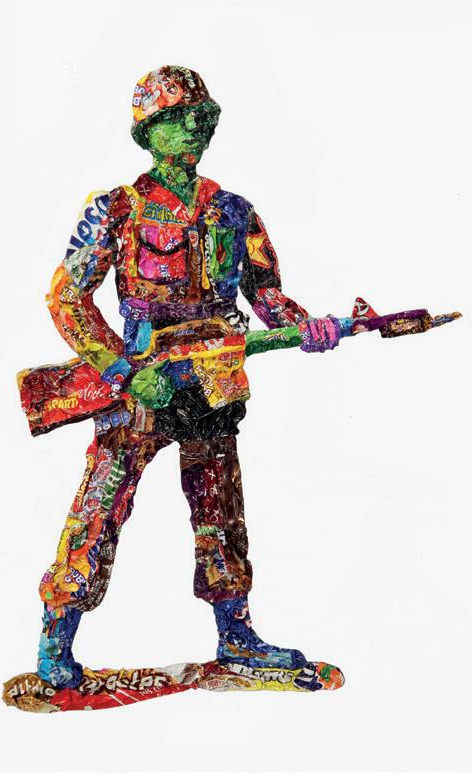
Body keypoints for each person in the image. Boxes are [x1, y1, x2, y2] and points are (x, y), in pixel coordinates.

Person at [37, 66, 341, 689]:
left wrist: (309, 327)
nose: (192, 129)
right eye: (174, 118)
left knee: (221, 511)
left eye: (200, 118)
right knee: (100, 508)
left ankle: (237, 636)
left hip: (214, 384)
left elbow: (267, 297)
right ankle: (54, 643)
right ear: (146, 131)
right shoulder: (116, 209)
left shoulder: (234, 211)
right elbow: (67, 299)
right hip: (143, 386)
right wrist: (121, 370)